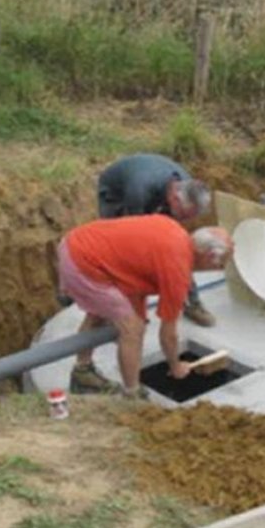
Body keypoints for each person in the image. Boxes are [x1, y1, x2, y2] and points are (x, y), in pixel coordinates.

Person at [57, 215, 233, 398]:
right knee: (133, 330)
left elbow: (135, 269)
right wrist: (175, 365)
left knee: (99, 315)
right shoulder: (177, 270)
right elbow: (168, 335)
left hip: (76, 243)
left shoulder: (175, 232)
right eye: (222, 263)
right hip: (84, 262)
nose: (220, 268)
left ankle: (83, 374)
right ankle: (132, 393)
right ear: (209, 256)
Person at [95, 153, 218, 326]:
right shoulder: (139, 190)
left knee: (177, 246)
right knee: (118, 249)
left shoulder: (187, 186)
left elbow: (177, 248)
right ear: (175, 199)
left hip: (152, 187)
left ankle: (193, 303)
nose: (183, 220)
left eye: (188, 217)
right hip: (116, 193)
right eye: (182, 215)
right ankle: (111, 309)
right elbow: (133, 241)